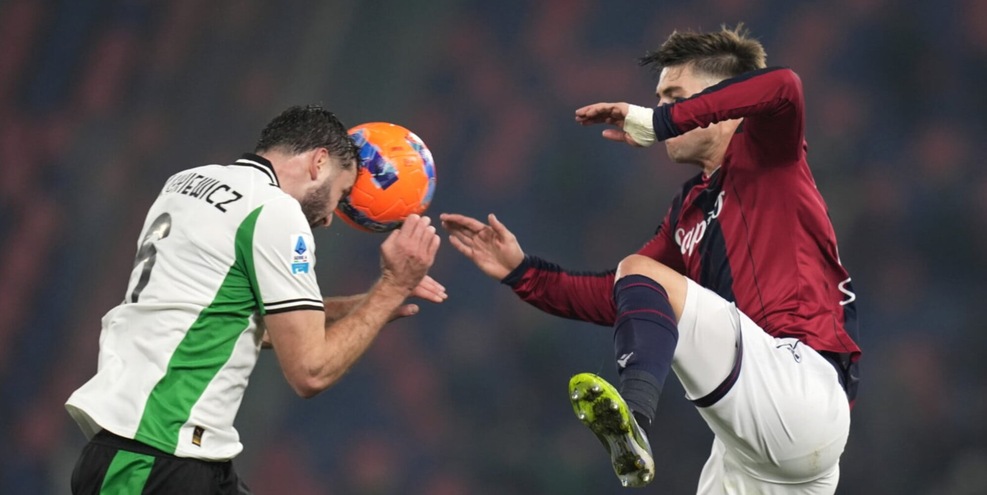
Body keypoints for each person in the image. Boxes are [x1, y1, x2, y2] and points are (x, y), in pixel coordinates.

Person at [441, 25, 860, 493]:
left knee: (640, 273)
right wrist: (522, 273)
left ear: (723, 100)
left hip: (801, 385)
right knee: (637, 277)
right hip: (760, 448)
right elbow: (624, 295)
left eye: (673, 96)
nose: (661, 108)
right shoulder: (687, 211)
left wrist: (662, 123)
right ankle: (633, 426)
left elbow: (785, 87)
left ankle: (635, 416)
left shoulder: (768, 153)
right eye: (660, 101)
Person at [65, 105, 445, 494]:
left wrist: (369, 305)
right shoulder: (273, 211)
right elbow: (310, 371)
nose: (331, 217)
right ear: (318, 163)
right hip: (156, 454)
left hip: (166, 450)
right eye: (342, 193)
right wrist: (391, 287)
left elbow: (230, 321)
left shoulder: (185, 182)